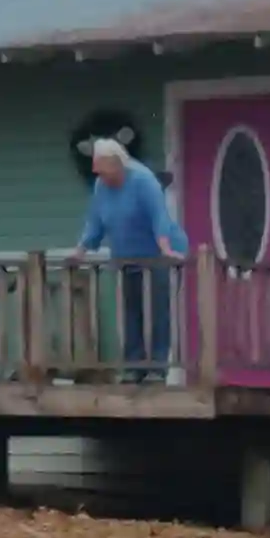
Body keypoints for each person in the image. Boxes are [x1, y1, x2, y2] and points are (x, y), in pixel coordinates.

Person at [75, 135, 187, 373]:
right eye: (99, 173)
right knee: (131, 311)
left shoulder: (144, 180)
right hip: (126, 255)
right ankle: (134, 366)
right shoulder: (101, 187)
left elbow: (159, 217)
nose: (102, 178)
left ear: (118, 165)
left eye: (105, 172)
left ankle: (158, 367)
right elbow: (95, 221)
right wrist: (81, 250)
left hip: (157, 253)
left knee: (158, 311)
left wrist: (166, 248)